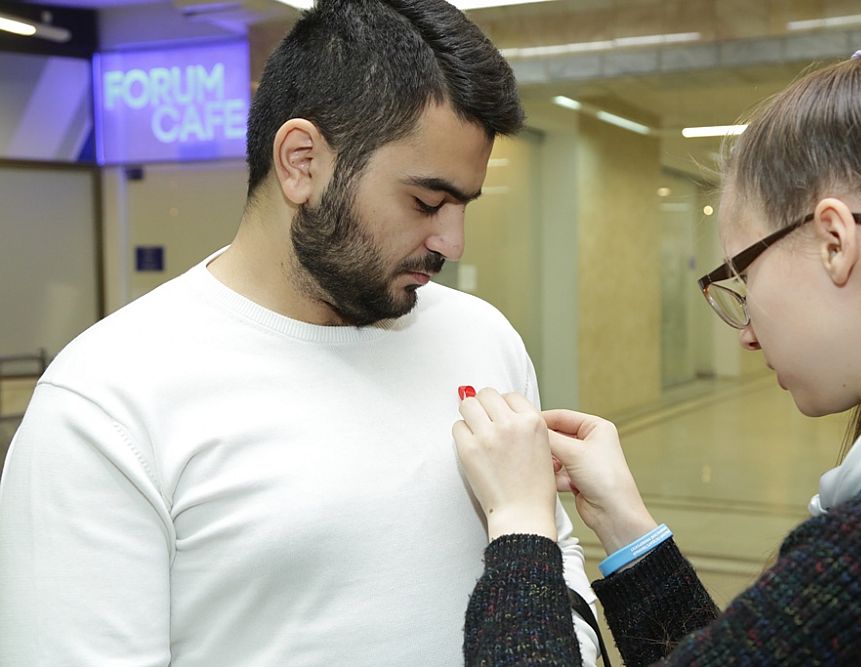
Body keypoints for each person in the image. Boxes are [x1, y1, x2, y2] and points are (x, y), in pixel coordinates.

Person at [0, 1, 600, 665]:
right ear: (301, 161)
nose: (451, 242)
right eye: (427, 202)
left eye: (462, 205)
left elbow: (555, 549)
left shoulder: (484, 337)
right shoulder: (106, 403)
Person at [455, 34, 861, 665]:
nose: (745, 333)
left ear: (835, 241)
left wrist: (521, 523)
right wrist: (625, 523)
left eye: (743, 277)